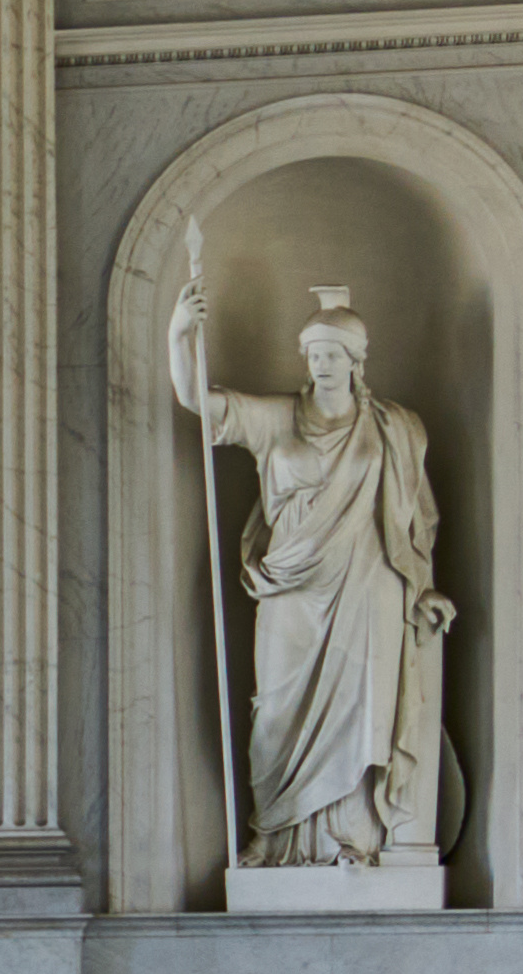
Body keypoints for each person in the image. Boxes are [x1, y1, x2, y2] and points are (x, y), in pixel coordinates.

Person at [165, 280, 448, 875]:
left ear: (356, 361)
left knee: (360, 712)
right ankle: (273, 837)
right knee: (274, 716)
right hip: (290, 589)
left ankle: (353, 839)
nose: (322, 364)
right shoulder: (275, 419)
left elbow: (415, 522)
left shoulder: (395, 428)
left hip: (366, 585)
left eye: (334, 354)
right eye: (315, 354)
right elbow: (196, 400)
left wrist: (423, 590)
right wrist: (180, 331)